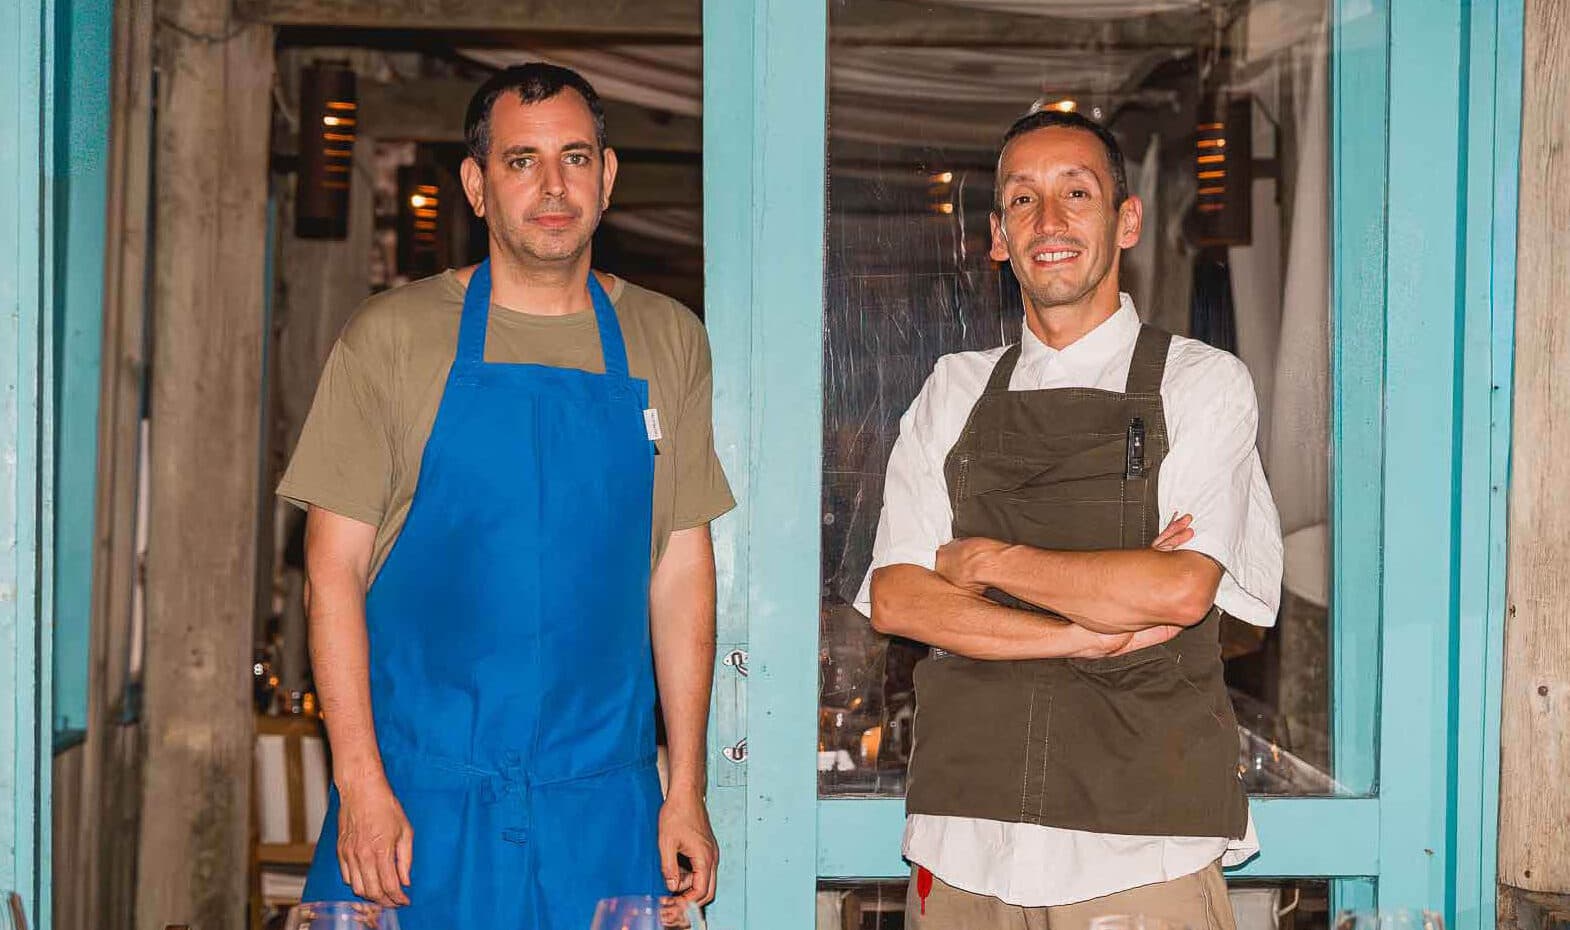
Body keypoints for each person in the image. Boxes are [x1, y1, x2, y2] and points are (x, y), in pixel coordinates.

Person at [279, 63, 734, 929]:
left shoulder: (667, 339)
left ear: (607, 176)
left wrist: (685, 789)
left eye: (575, 157)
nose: (553, 186)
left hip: (603, 807)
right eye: (522, 161)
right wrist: (359, 780)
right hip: (416, 804)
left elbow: (680, 573)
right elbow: (329, 573)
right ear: (477, 185)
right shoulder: (391, 338)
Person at [859, 107, 1284, 929]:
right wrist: (1086, 629)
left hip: (1142, 846)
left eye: (1076, 193)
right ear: (996, 236)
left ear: (1126, 222)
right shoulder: (953, 389)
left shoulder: (1201, 382)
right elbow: (898, 600)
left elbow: (1177, 591)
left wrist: (983, 563)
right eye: (1023, 200)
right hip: (963, 839)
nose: (1048, 222)